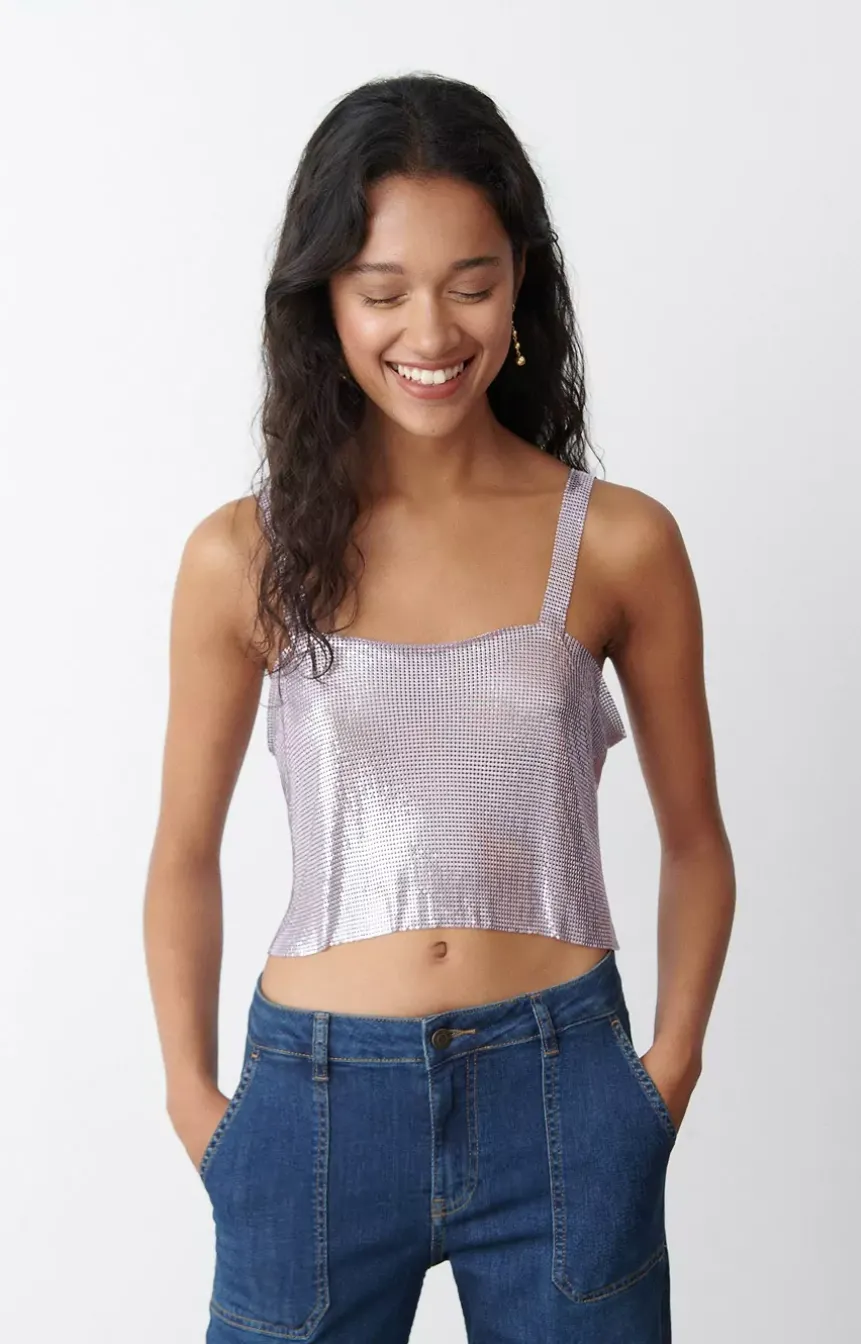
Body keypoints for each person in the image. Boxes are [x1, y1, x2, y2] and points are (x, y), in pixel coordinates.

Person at [144, 72, 735, 1344]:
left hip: (564, 1101)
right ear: (323, 301)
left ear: (520, 283)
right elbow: (183, 854)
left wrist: (664, 1076)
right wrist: (196, 1104)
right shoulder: (241, 557)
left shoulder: (619, 542)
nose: (430, 329)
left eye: (470, 284)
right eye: (383, 291)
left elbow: (695, 841)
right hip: (311, 1109)